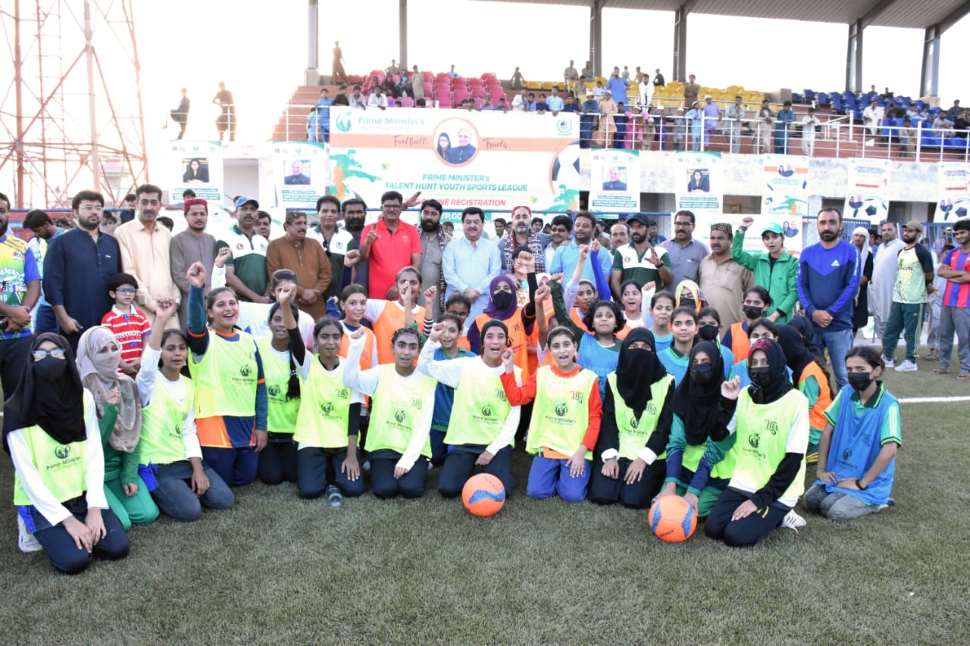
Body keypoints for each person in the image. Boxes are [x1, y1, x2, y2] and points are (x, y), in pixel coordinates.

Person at [6, 333, 130, 572]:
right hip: (41, 503)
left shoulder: (82, 398)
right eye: (41, 355)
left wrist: (94, 509)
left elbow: (94, 452)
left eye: (56, 353)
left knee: (117, 547)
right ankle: (29, 525)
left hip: (80, 496)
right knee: (75, 561)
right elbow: (27, 475)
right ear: (31, 360)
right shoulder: (16, 408)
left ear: (68, 358)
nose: (49, 359)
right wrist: (69, 522)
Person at [135, 298, 234, 521]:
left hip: (183, 461)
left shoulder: (189, 385)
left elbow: (189, 431)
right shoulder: (147, 383)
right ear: (160, 353)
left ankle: (181, 487)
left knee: (224, 500)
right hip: (156, 464)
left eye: (182, 348)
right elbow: (147, 363)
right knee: (191, 511)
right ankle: (163, 489)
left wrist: (198, 469)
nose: (178, 353)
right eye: (170, 349)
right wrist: (160, 319)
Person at [705, 339, 810, 547]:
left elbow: (792, 463)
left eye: (765, 362)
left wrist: (757, 501)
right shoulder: (744, 394)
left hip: (778, 491)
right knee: (713, 529)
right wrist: (726, 402)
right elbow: (718, 435)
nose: (759, 368)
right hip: (744, 482)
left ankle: (783, 514)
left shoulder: (797, 401)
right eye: (755, 362)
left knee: (735, 536)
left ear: (778, 363)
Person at [184, 262, 268, 487]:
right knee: (224, 480)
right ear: (210, 312)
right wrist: (196, 288)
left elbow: (260, 388)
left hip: (246, 424)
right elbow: (194, 324)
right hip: (215, 425)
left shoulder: (249, 341)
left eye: (233, 303)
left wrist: (261, 426)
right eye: (221, 305)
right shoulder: (204, 340)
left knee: (247, 477)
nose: (229, 308)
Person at [419, 319, 522, 495]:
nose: (495, 341)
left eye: (500, 337)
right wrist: (431, 341)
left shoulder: (514, 371)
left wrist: (491, 450)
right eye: (489, 336)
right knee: (447, 489)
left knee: (502, 489)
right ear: (482, 342)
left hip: (494, 443)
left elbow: (514, 417)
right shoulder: (465, 365)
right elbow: (425, 367)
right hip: (464, 442)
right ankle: (471, 468)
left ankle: (489, 467)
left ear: (507, 342)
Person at [499, 326, 602, 503]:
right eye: (556, 346)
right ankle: (557, 473)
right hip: (548, 447)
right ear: (550, 350)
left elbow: (595, 418)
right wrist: (508, 369)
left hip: (574, 451)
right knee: (536, 492)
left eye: (566, 344)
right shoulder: (542, 373)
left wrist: (581, 452)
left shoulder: (589, 378)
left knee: (572, 496)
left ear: (575, 346)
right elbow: (517, 398)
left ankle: (576, 473)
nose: (562, 351)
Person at [75, 325, 159, 530]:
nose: (111, 354)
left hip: (118, 469)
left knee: (148, 514)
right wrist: (110, 411)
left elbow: (134, 433)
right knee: (123, 522)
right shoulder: (79, 392)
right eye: (102, 350)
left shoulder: (126, 384)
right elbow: (91, 447)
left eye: (114, 348)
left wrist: (129, 474)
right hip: (91, 473)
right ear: (88, 354)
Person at [805, 346, 900, 520]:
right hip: (838, 472)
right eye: (849, 369)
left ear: (876, 371)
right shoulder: (845, 393)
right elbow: (827, 430)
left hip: (868, 482)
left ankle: (878, 502)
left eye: (860, 369)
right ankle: (845, 492)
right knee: (810, 501)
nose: (854, 374)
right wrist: (821, 470)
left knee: (835, 511)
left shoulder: (889, 405)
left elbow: (890, 449)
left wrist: (860, 483)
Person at [343, 327, 435, 499]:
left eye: (412, 347)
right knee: (385, 490)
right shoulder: (380, 373)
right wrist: (355, 346)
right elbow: (349, 380)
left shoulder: (427, 381)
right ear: (393, 348)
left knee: (411, 489)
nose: (406, 352)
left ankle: (423, 464)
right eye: (401, 345)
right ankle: (377, 464)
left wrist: (408, 460)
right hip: (383, 447)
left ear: (418, 351)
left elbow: (424, 425)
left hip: (414, 449)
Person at [587, 328, 674, 508]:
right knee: (601, 495)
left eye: (645, 347)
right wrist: (610, 457)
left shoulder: (667, 382)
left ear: (653, 352)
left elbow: (665, 428)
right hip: (619, 449)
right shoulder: (613, 379)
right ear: (625, 349)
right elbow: (609, 421)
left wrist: (643, 459)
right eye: (633, 346)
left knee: (632, 500)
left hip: (649, 453)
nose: (639, 351)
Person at [656, 341, 737, 518]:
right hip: (685, 468)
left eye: (706, 361)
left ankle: (721, 497)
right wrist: (670, 484)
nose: (700, 367)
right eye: (696, 362)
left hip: (714, 472)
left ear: (717, 363)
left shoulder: (728, 400)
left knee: (690, 513)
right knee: (661, 506)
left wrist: (693, 492)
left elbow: (715, 451)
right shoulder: (682, 394)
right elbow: (676, 442)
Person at [43, 191, 121, 353]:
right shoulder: (61, 243)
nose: (94, 212)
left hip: (109, 323)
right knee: (77, 371)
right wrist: (63, 319)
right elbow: (52, 285)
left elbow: (120, 281)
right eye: (88, 207)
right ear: (76, 212)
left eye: (98, 208)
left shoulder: (112, 243)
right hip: (75, 322)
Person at [798, 209, 859, 388]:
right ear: (817, 226)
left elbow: (852, 286)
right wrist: (812, 311)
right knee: (813, 376)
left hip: (839, 325)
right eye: (823, 222)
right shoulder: (807, 253)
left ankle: (845, 414)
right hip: (812, 326)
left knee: (844, 376)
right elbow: (801, 286)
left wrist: (830, 312)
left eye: (832, 222)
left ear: (840, 226)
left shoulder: (850, 252)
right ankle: (819, 413)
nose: (827, 226)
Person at [254, 285, 306, 488]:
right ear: (268, 323)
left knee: (293, 476)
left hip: (294, 433)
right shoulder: (256, 346)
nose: (282, 324)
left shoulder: (302, 355)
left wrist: (285, 304)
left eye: (287, 320)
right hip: (267, 432)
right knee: (271, 478)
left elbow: (295, 334)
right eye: (277, 319)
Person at [114, 184, 180, 326]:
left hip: (170, 309)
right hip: (142, 311)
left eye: (153, 202)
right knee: (147, 348)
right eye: (144, 202)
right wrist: (151, 304)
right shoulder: (123, 233)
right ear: (136, 204)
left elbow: (173, 272)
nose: (149, 207)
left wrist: (176, 300)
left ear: (160, 205)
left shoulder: (166, 234)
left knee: (174, 347)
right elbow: (129, 273)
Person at [417, 314, 477, 466]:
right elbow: (422, 366)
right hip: (436, 423)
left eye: (452, 330)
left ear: (460, 332)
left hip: (461, 424)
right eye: (442, 330)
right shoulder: (431, 355)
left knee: (455, 458)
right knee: (435, 458)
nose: (447, 335)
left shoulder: (470, 358)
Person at [0, 201, 40, 402]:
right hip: (15, 319)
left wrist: (22, 312)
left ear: (8, 214)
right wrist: (12, 312)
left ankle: (12, 434)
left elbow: (33, 283)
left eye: (2, 210)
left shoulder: (22, 247)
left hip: (19, 333)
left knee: (18, 398)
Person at [881, 221, 934, 372]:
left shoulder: (922, 252)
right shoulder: (901, 251)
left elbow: (929, 274)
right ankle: (888, 357)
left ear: (918, 234)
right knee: (891, 330)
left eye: (910, 231)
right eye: (905, 230)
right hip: (898, 298)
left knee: (912, 333)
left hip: (915, 300)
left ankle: (911, 361)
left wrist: (921, 288)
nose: (906, 233)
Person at [777, 325, 833, 465]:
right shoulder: (804, 363)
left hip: (814, 432)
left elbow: (803, 409)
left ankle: (814, 451)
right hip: (813, 426)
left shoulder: (808, 374)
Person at [442, 207, 502, 328]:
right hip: (456, 302)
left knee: (481, 335)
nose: (472, 225)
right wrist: (466, 290)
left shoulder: (492, 247)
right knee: (454, 335)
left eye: (476, 222)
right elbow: (449, 274)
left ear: (483, 224)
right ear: (462, 224)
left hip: (482, 301)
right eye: (468, 222)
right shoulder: (452, 246)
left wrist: (478, 290)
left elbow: (495, 273)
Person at [732, 217, 799, 324]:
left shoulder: (792, 262)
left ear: (782, 237)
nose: (771, 241)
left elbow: (794, 293)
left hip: (781, 321)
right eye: (766, 238)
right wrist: (742, 229)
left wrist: (774, 315)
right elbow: (736, 255)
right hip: (758, 319)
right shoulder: (759, 260)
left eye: (774, 237)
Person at [266, 211, 331, 321]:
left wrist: (315, 292)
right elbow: (275, 275)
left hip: (316, 304)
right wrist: (302, 292)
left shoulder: (314, 244)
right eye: (298, 223)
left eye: (305, 223)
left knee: (316, 335)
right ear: (286, 226)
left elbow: (326, 272)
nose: (303, 227)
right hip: (290, 304)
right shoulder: (275, 246)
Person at [360, 191, 422, 300]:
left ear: (400, 208)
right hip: (377, 296)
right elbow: (363, 256)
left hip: (404, 295)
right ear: (381, 208)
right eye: (388, 206)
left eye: (395, 206)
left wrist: (400, 285)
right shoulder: (370, 229)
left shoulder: (411, 230)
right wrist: (368, 241)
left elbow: (416, 264)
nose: (392, 209)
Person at [363, 266, 430, 365]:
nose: (408, 286)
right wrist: (347, 267)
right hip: (384, 375)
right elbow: (349, 302)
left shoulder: (426, 314)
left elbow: (426, 347)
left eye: (413, 282)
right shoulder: (381, 307)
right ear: (396, 285)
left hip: (412, 375)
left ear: (420, 287)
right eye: (403, 281)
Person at [698, 223, 753, 330]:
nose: (715, 242)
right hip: (706, 327)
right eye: (712, 238)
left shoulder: (742, 263)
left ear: (730, 240)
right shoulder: (704, 262)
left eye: (720, 238)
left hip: (733, 328)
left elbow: (752, 293)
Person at [215, 196, 270, 304]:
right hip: (238, 303)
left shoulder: (263, 242)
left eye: (253, 209)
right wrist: (256, 298)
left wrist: (266, 295)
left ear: (257, 215)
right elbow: (228, 276)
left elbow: (269, 273)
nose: (249, 212)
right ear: (236, 213)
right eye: (244, 208)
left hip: (263, 302)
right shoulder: (225, 239)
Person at [170, 198, 217, 324]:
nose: (199, 218)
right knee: (192, 337)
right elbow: (178, 274)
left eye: (202, 214)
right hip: (190, 300)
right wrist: (199, 293)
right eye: (194, 214)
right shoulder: (177, 240)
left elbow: (216, 270)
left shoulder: (211, 240)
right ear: (186, 216)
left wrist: (213, 294)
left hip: (213, 301)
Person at [935, 218, 970, 380]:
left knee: (965, 337)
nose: (959, 236)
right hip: (948, 301)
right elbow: (940, 272)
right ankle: (943, 365)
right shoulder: (953, 253)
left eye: (962, 232)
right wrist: (960, 275)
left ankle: (965, 369)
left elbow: (968, 277)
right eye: (956, 233)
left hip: (965, 303)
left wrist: (953, 275)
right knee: (945, 334)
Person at [100, 273, 151, 377]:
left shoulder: (140, 315)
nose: (128, 294)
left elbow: (147, 338)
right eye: (123, 290)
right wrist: (123, 365)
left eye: (131, 290)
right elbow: (109, 346)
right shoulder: (108, 319)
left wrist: (142, 359)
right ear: (113, 294)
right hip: (119, 372)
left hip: (140, 368)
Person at [610, 213, 672, 298]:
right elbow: (615, 281)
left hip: (651, 307)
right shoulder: (621, 251)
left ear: (649, 229)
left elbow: (668, 281)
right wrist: (625, 301)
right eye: (632, 227)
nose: (635, 230)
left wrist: (659, 265)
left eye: (639, 227)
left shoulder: (661, 252)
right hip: (628, 307)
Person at [23, 209, 64, 334]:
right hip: (47, 301)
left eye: (37, 230)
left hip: (62, 302)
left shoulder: (65, 240)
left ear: (46, 224)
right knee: (39, 335)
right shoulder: (41, 242)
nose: (36, 234)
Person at [307, 195, 353, 301]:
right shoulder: (307, 235)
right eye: (325, 211)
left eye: (333, 211)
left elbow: (351, 269)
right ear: (318, 213)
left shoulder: (346, 237)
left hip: (339, 294)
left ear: (338, 214)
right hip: (313, 293)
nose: (329, 214)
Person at [722, 286, 773, 365]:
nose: (751, 305)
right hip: (737, 376)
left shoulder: (770, 332)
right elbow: (724, 357)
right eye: (748, 302)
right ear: (743, 304)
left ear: (766, 306)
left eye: (757, 302)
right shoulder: (733, 330)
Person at [418, 199, 451, 319]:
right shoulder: (412, 236)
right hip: (411, 296)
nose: (429, 217)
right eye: (426, 213)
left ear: (440, 216)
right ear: (421, 214)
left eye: (433, 214)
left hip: (436, 299)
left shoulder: (448, 242)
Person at [662, 210, 708, 287]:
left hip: (689, 298)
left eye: (685, 224)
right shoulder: (662, 248)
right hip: (666, 298)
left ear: (693, 226)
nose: (681, 227)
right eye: (678, 223)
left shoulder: (702, 249)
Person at [499, 205, 550, 274]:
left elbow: (561, 238)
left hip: (537, 283)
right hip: (513, 283)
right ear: (512, 220)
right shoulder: (502, 244)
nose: (521, 220)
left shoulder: (543, 239)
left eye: (525, 217)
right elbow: (502, 270)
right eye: (517, 217)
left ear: (530, 220)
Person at [851, 226, 874, 337]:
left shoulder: (868, 255)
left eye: (861, 236)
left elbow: (867, 276)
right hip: (844, 292)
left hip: (859, 293)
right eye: (856, 235)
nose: (858, 238)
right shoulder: (846, 252)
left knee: (855, 322)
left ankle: (850, 347)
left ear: (865, 239)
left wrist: (853, 287)